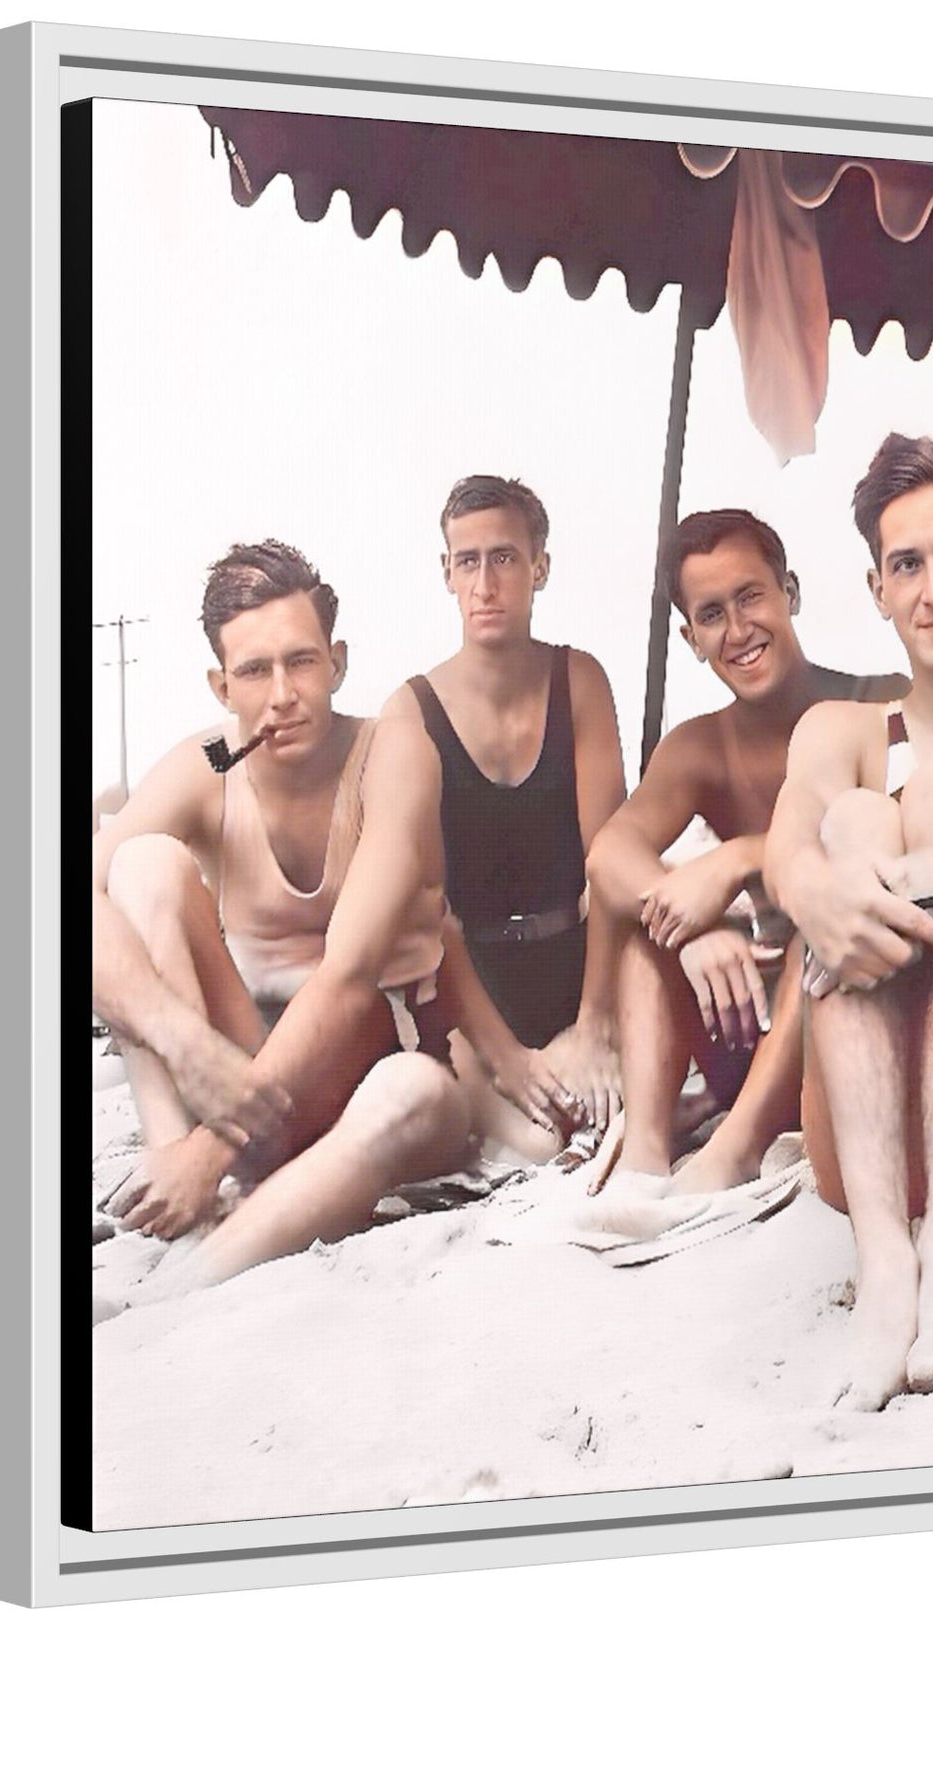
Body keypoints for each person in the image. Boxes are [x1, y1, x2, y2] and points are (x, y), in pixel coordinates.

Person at [91, 540, 473, 1289]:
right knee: (141, 865)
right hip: (236, 1081)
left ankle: (179, 1283)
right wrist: (183, 1044)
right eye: (254, 671)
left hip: (366, 1086)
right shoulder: (211, 762)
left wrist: (213, 1153)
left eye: (301, 662)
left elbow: (350, 972)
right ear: (220, 684)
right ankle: (181, 1202)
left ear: (337, 661)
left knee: (416, 1093)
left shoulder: (389, 750)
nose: (282, 694)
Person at [765, 434, 933, 1410]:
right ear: (874, 588)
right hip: (865, 1134)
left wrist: (902, 881)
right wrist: (819, 887)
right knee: (853, 814)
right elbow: (789, 852)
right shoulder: (839, 729)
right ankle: (887, 1264)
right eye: (904, 564)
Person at [585, 508, 906, 1183]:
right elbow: (610, 854)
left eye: (750, 596)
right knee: (651, 930)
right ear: (690, 637)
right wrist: (690, 931)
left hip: (852, 1017)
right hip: (745, 1025)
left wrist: (737, 859)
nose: (738, 631)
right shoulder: (700, 747)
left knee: (812, 927)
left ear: (789, 591)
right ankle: (645, 1156)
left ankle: (736, 1152)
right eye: (711, 615)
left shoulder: (879, 703)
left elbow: (909, 835)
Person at [383, 474, 628, 1138]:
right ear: (446, 573)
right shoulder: (411, 711)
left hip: (577, 966)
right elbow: (425, 904)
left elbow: (612, 864)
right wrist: (507, 1059)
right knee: (536, 1147)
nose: (485, 584)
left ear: (539, 567)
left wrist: (596, 1021)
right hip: (469, 988)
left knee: (606, 1118)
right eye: (468, 561)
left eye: (505, 559)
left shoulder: (579, 680)